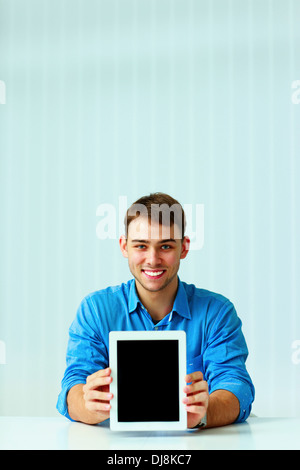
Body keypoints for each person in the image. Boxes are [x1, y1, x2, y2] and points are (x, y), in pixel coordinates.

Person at [56, 192, 255, 428]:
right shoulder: (96, 310)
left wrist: (203, 414)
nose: (152, 259)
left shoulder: (217, 312)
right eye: (141, 245)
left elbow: (235, 386)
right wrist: (88, 406)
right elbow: (74, 386)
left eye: (166, 246)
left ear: (183, 248)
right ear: (124, 246)